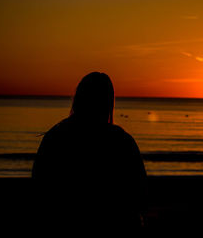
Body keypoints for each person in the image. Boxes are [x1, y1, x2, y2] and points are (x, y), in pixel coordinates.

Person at [32, 72, 147, 235]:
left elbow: (39, 187)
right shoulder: (121, 140)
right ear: (109, 102)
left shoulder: (56, 136)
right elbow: (139, 192)